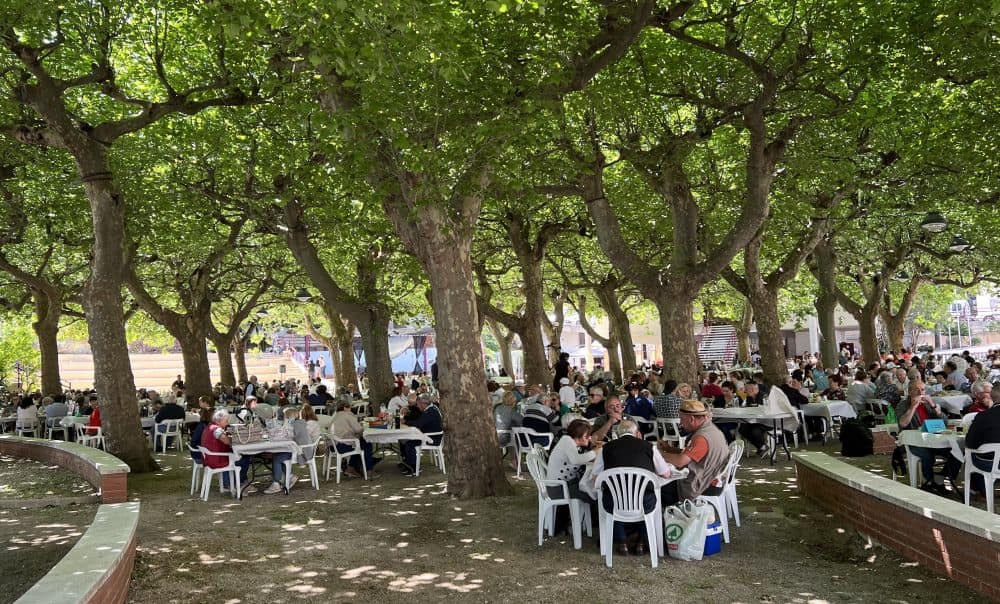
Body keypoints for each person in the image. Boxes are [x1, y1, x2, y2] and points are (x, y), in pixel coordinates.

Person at [591, 419, 673, 556]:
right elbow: (666, 473)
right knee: (645, 496)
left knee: (614, 496)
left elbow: (595, 477)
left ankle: (622, 542)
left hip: (614, 503)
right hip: (644, 503)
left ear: (617, 434)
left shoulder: (606, 448)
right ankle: (641, 542)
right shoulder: (648, 446)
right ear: (637, 433)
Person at [661, 399, 730, 505]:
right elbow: (693, 454)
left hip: (704, 485)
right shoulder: (710, 429)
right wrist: (669, 449)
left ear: (692, 419)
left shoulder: (701, 437)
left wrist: (658, 454)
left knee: (657, 487)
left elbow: (680, 461)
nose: (680, 423)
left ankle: (670, 517)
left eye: (682, 419)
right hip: (711, 477)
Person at [897, 381, 960, 496]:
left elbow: (944, 422)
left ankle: (941, 478)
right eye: (917, 390)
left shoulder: (927, 404)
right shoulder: (903, 404)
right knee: (927, 454)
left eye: (923, 390)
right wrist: (913, 406)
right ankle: (929, 481)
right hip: (913, 441)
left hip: (933, 440)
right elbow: (903, 424)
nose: (921, 392)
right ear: (910, 392)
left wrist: (933, 405)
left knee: (957, 451)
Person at [199, 409, 255, 495]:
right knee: (245, 457)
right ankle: (239, 483)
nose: (227, 422)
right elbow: (227, 442)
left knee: (235, 455)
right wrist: (235, 437)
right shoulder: (217, 430)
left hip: (209, 458)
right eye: (226, 420)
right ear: (220, 420)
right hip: (216, 459)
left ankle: (231, 482)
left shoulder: (209, 426)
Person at [546, 419, 597, 504]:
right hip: (559, 488)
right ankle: (594, 516)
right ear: (579, 434)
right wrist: (595, 452)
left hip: (565, 485)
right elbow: (576, 460)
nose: (589, 438)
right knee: (595, 495)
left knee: (592, 490)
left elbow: (577, 459)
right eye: (587, 435)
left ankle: (587, 516)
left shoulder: (568, 441)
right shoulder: (567, 441)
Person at [965, 386, 1000, 497]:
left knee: (970, 454)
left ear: (992, 398)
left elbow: (970, 443)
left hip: (989, 463)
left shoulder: (983, 416)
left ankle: (978, 488)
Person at [330, 400, 376, 479]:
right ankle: (369, 471)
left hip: (333, 445)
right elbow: (358, 430)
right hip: (342, 445)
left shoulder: (335, 416)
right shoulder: (348, 415)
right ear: (345, 408)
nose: (351, 409)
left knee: (360, 444)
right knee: (367, 444)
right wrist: (362, 428)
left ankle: (351, 468)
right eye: (349, 407)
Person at [399, 396, 443, 476]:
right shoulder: (432, 408)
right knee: (406, 441)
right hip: (431, 436)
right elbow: (419, 421)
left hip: (432, 438)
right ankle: (408, 464)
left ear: (423, 404)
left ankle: (414, 469)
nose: (417, 407)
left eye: (418, 405)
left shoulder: (430, 412)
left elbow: (418, 423)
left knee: (409, 444)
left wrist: (405, 422)